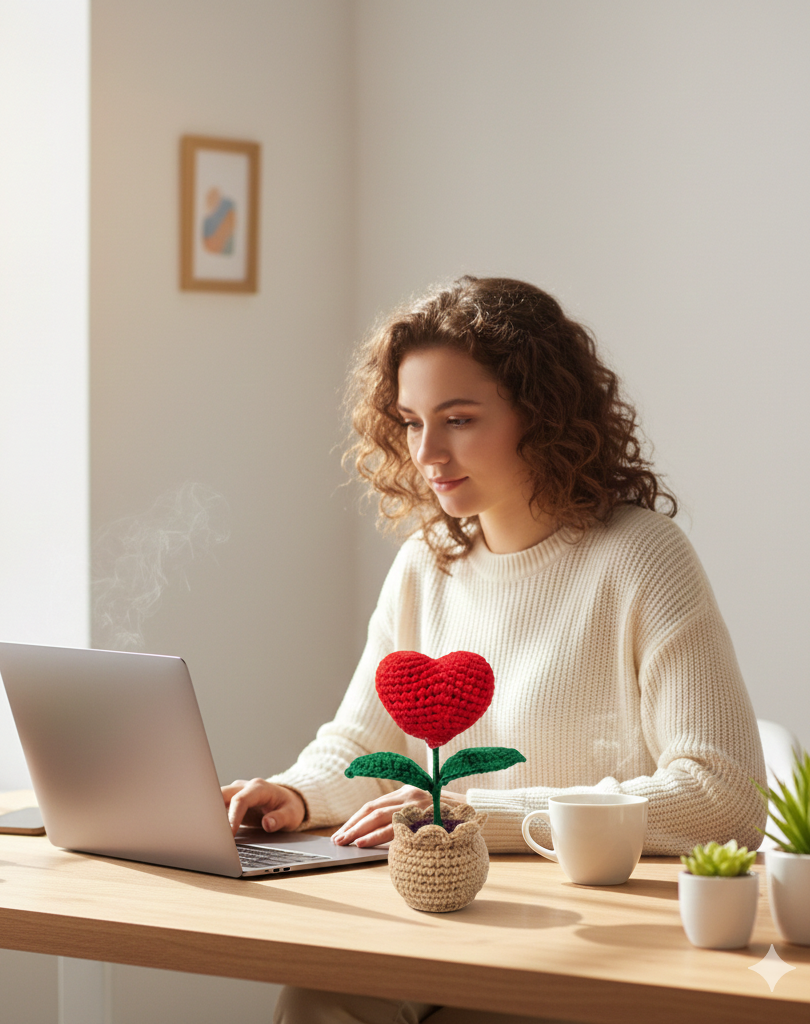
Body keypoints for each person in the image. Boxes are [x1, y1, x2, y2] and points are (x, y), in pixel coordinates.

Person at [221, 277, 765, 1024]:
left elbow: (723, 797)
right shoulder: (425, 563)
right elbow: (362, 747)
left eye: (459, 419)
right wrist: (297, 796)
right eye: (411, 422)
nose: (427, 453)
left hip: (590, 935)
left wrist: (477, 814)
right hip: (444, 918)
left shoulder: (640, 557)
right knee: (318, 995)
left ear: (540, 417)